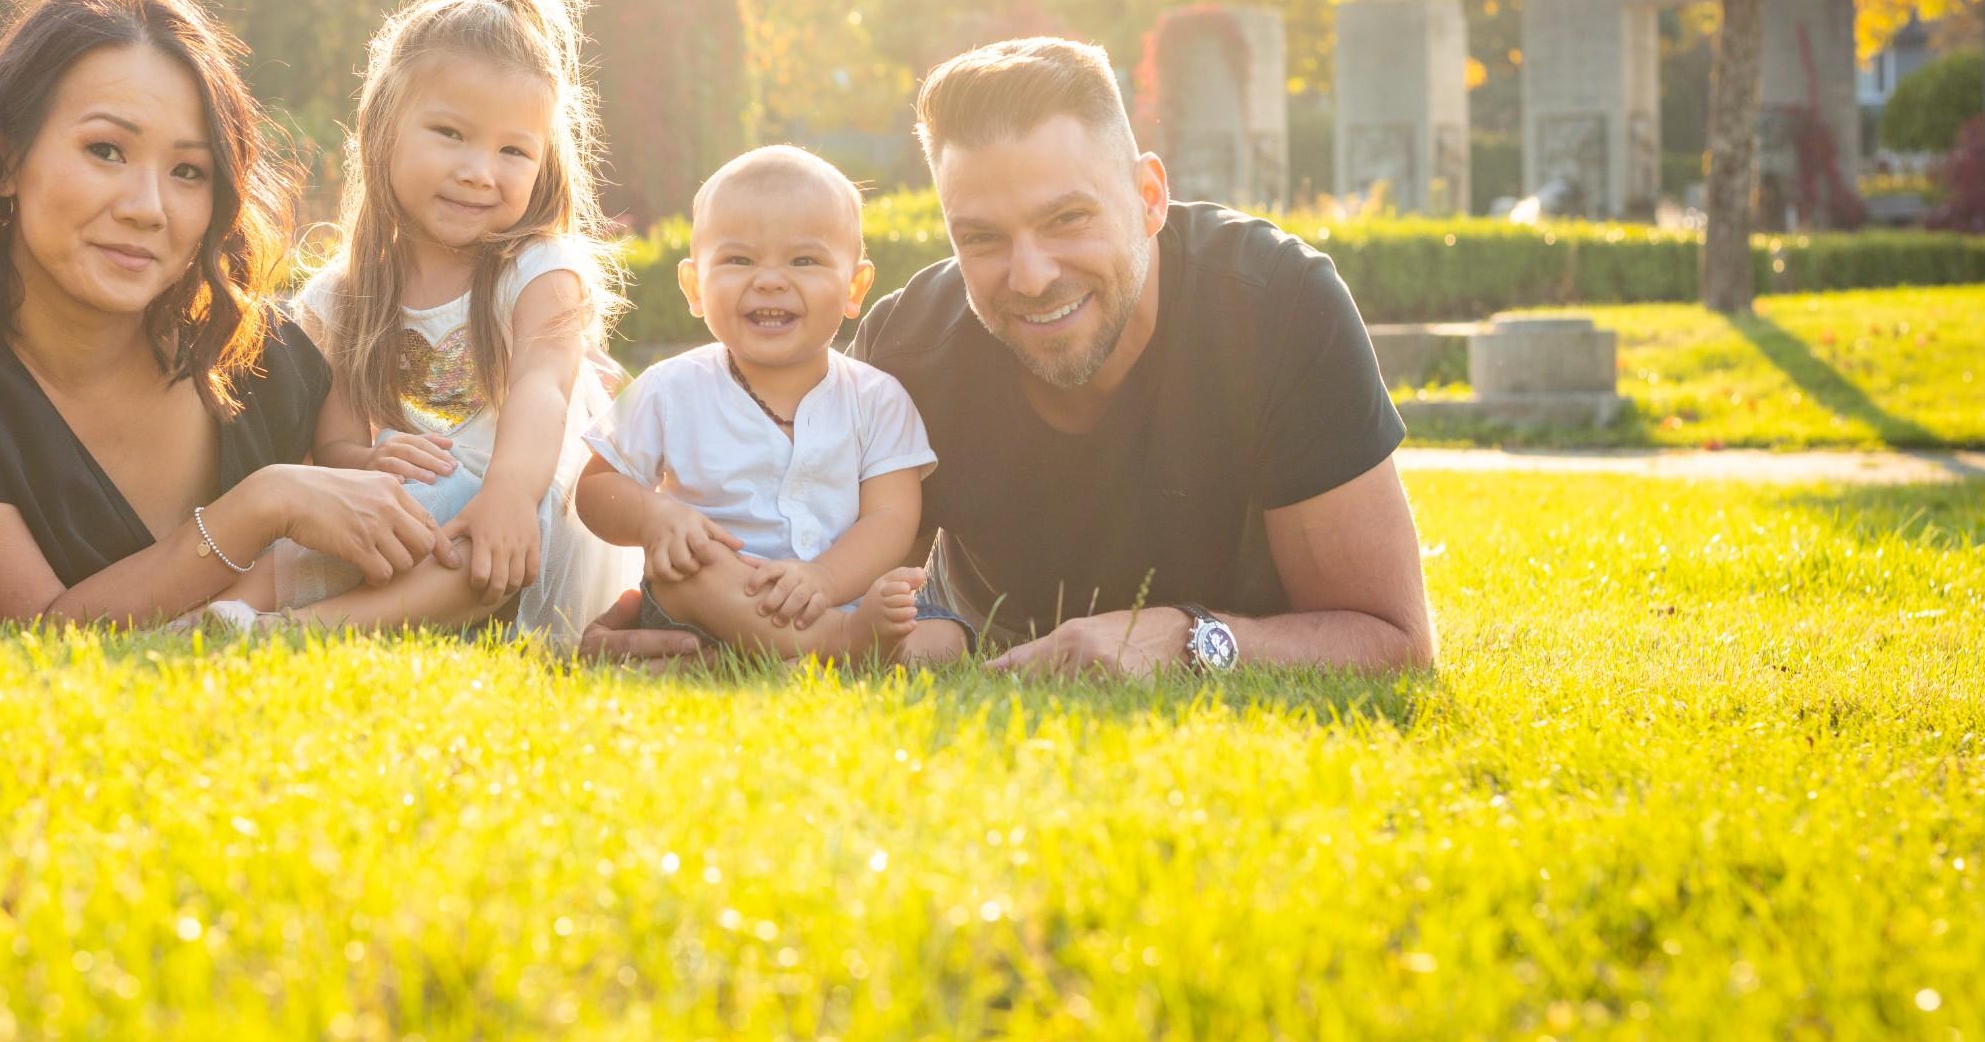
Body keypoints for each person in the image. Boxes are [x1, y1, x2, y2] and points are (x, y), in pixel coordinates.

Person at [0, 0, 440, 624]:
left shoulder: (274, 364)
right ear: (6, 159)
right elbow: (32, 641)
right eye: (106, 150)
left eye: (188, 171)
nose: (148, 208)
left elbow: (387, 583)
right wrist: (263, 505)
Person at [856, 36, 1433, 678]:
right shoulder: (906, 349)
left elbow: (1393, 641)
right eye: (982, 237)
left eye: (1067, 218)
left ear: (1149, 197)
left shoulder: (1280, 305)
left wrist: (1187, 641)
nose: (1030, 277)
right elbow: (826, 601)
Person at [283, 0, 636, 640]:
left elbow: (542, 390)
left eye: (513, 150)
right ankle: (235, 612)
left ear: (543, 163)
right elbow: (332, 441)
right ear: (382, 128)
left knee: (478, 527)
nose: (480, 170)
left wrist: (507, 491)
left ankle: (307, 627)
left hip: (517, 508)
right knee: (326, 514)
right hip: (411, 514)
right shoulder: (341, 295)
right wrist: (364, 467)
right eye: (450, 134)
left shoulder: (537, 271)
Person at [576, 146, 933, 660]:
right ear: (695, 286)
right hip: (703, 605)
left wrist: (824, 578)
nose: (769, 279)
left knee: (932, 629)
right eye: (738, 259)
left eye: (804, 260)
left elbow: (892, 518)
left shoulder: (879, 400)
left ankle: (812, 640)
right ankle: (839, 647)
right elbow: (595, 488)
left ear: (854, 287)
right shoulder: (667, 388)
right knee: (690, 567)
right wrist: (654, 519)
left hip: (833, 599)